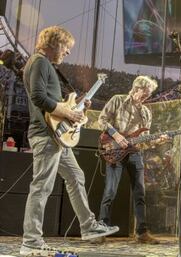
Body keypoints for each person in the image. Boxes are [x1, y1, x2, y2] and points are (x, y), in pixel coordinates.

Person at [20, 26, 119, 256]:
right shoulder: (40, 62)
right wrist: (68, 112)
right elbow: (37, 96)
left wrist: (75, 109)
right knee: (42, 185)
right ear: (54, 42)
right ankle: (31, 241)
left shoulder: (46, 65)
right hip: (45, 135)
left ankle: (88, 226)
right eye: (66, 47)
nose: (67, 52)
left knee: (76, 176)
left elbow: (55, 104)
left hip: (56, 136)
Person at [97, 75, 167, 244]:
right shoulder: (117, 100)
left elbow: (144, 138)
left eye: (149, 93)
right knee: (110, 192)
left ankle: (142, 233)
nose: (148, 95)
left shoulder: (146, 112)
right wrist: (116, 135)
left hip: (135, 154)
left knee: (140, 194)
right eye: (146, 91)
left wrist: (156, 141)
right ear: (137, 88)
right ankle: (101, 230)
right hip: (114, 150)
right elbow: (102, 120)